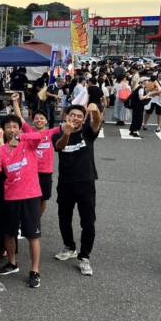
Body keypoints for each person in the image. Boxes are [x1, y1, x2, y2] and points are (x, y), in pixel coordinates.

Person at [52, 103, 103, 276]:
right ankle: (69, 247)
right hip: (65, 183)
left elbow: (97, 122)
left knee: (88, 222)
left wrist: (95, 111)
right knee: (64, 218)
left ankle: (84, 257)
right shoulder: (58, 133)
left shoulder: (88, 131)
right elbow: (59, 147)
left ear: (83, 119)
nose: (75, 118)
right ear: (66, 116)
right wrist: (66, 133)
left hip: (86, 183)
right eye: (72, 115)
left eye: (79, 116)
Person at [0, 114, 44, 288]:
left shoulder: (28, 143)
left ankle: (35, 271)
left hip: (30, 195)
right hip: (11, 196)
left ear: (19, 128)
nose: (11, 130)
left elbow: (39, 135)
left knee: (33, 235)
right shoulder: (1, 149)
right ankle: (12, 263)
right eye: (8, 127)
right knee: (9, 233)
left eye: (15, 126)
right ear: (4, 130)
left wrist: (21, 136)